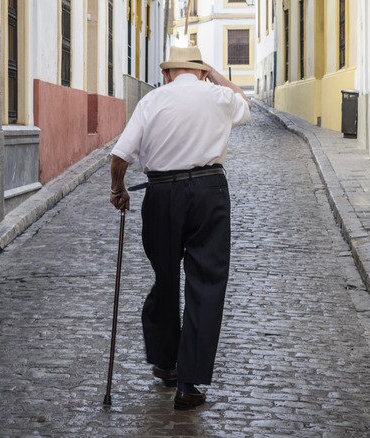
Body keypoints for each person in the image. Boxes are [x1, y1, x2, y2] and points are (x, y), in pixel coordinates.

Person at [109, 46, 251, 410]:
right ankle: (188, 385)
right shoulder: (219, 95)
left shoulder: (153, 100)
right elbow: (244, 103)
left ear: (170, 72)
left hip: (161, 194)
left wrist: (118, 189)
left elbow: (120, 156)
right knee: (206, 284)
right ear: (201, 71)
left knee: (166, 277)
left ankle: (166, 362)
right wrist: (214, 73)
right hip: (209, 191)